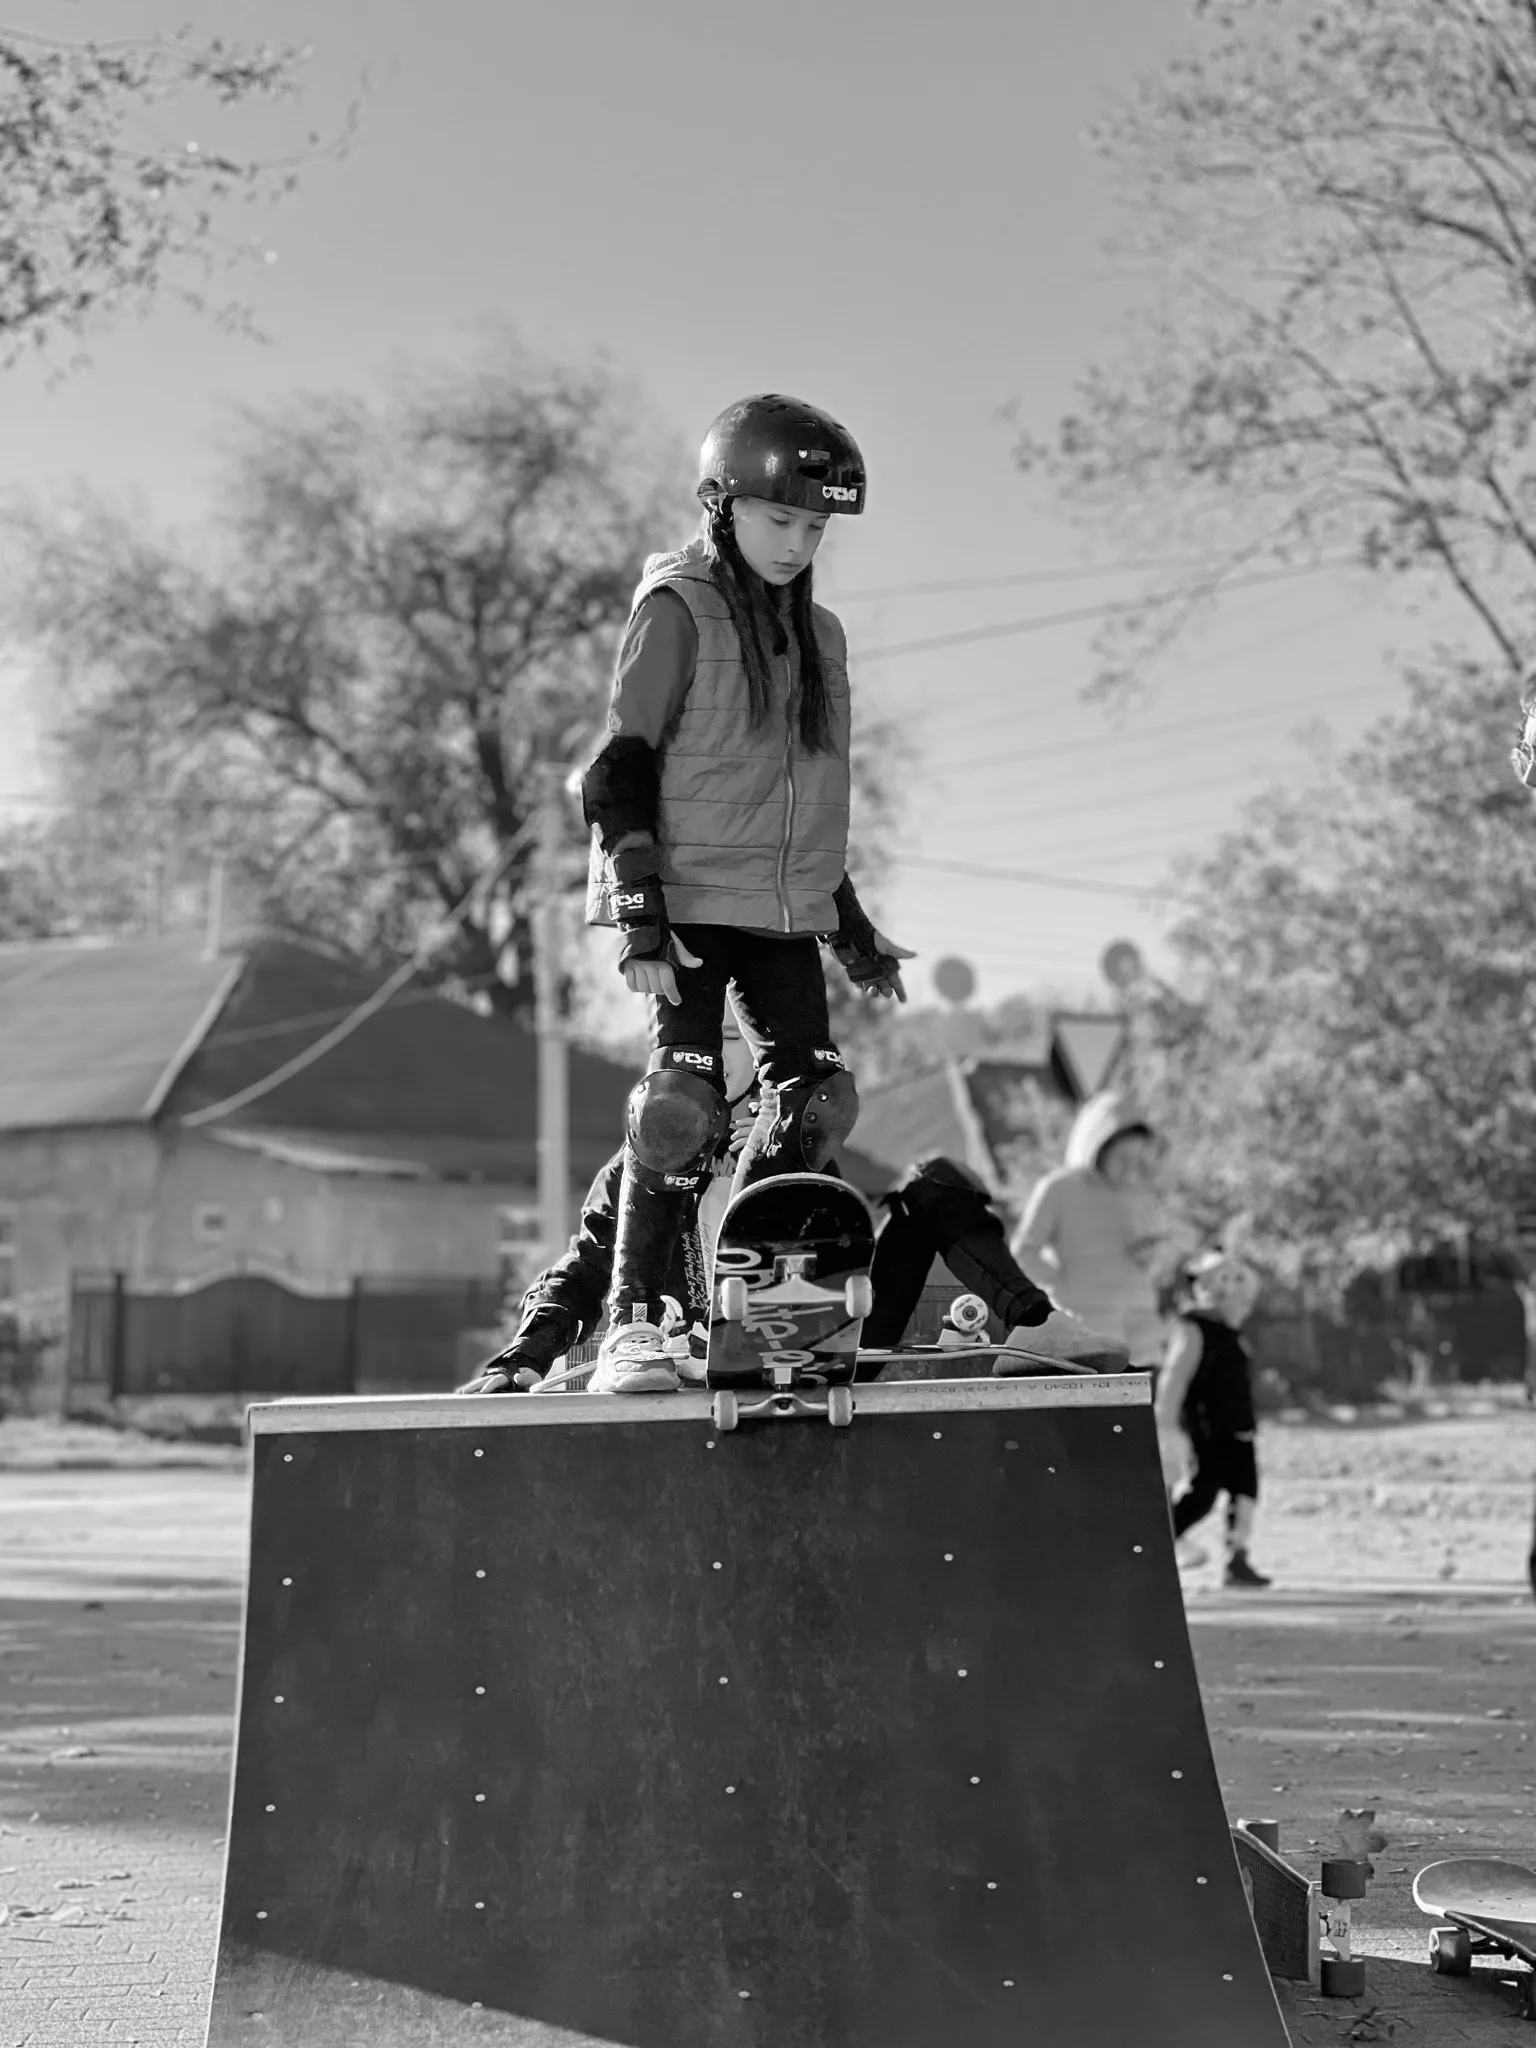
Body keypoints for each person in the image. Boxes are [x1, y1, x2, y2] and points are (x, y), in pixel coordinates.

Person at [576, 392, 911, 1395]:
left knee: (817, 1098)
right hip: (680, 899)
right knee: (681, 1105)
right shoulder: (678, 608)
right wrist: (639, 909)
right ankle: (637, 1320)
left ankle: (758, 1297)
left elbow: (798, 803)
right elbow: (616, 767)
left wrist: (851, 930)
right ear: (722, 505)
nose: (797, 542)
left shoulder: (822, 637)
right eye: (778, 519)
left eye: (813, 527)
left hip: (781, 913)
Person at [1009, 1089, 1165, 1367]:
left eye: (1137, 1158)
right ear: (1098, 1144)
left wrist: (1149, 1256)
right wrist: (1061, 1288)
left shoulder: (1141, 1194)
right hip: (1088, 1330)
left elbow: (1149, 1264)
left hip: (1143, 1331)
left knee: (1145, 1406)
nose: (1129, 1168)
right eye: (1121, 1157)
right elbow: (1024, 1251)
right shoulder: (1060, 1188)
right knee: (1096, 1406)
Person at [1155, 1248, 1271, 1589]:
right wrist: (1166, 1420)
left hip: (1240, 1429)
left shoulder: (1233, 1334)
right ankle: (1158, 1544)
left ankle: (1238, 1559)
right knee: (1204, 1492)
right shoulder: (1194, 1330)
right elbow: (1174, 1378)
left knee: (1246, 1492)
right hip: (1209, 1430)